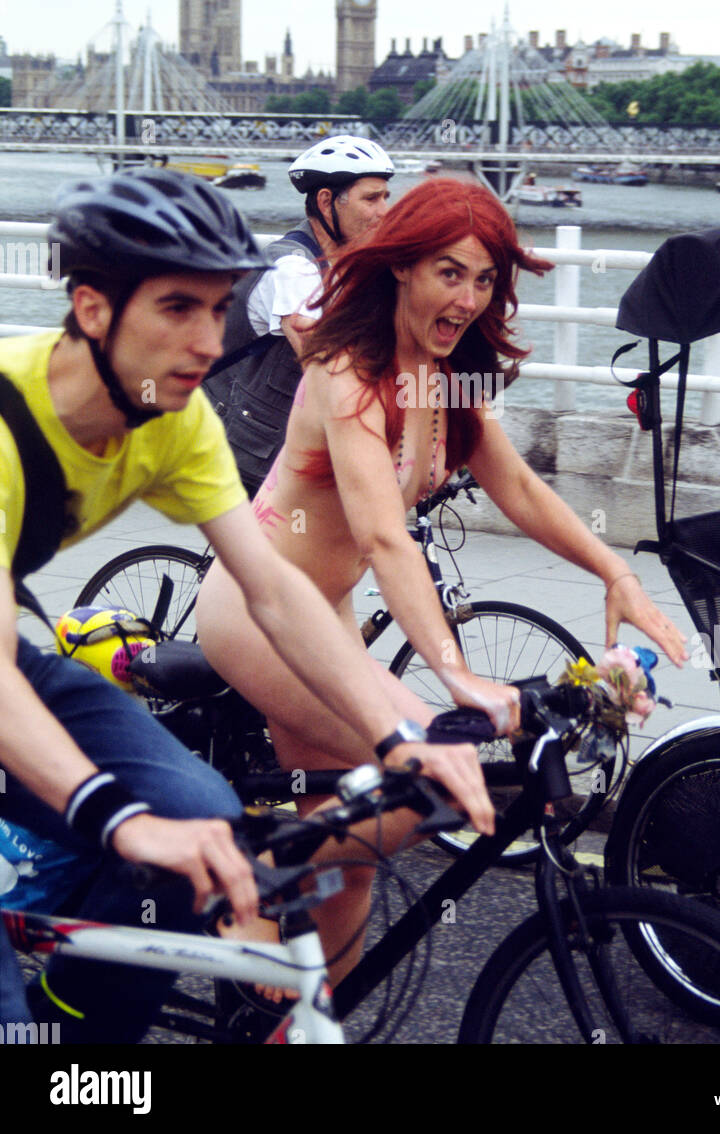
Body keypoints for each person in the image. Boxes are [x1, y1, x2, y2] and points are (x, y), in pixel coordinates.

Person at [0, 167, 491, 1043]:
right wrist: (118, 821)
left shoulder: (174, 420)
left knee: (204, 818)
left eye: (220, 308)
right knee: (143, 828)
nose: (208, 340)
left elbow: (272, 589)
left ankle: (69, 1025)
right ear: (90, 308)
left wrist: (401, 733)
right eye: (178, 309)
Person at [196, 177, 687, 984]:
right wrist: (454, 677)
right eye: (448, 272)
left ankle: (303, 1022)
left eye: (485, 278)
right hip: (258, 607)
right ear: (401, 268)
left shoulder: (443, 373)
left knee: (348, 853)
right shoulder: (344, 368)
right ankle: (233, 885)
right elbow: (385, 535)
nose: (467, 297)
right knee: (428, 780)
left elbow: (518, 487)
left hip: (328, 614)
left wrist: (612, 568)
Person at [204, 135, 395, 495]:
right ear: (326, 202)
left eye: (386, 196)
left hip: (284, 442)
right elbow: (328, 365)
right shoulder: (294, 269)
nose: (385, 210)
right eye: (371, 198)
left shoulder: (351, 267)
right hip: (244, 447)